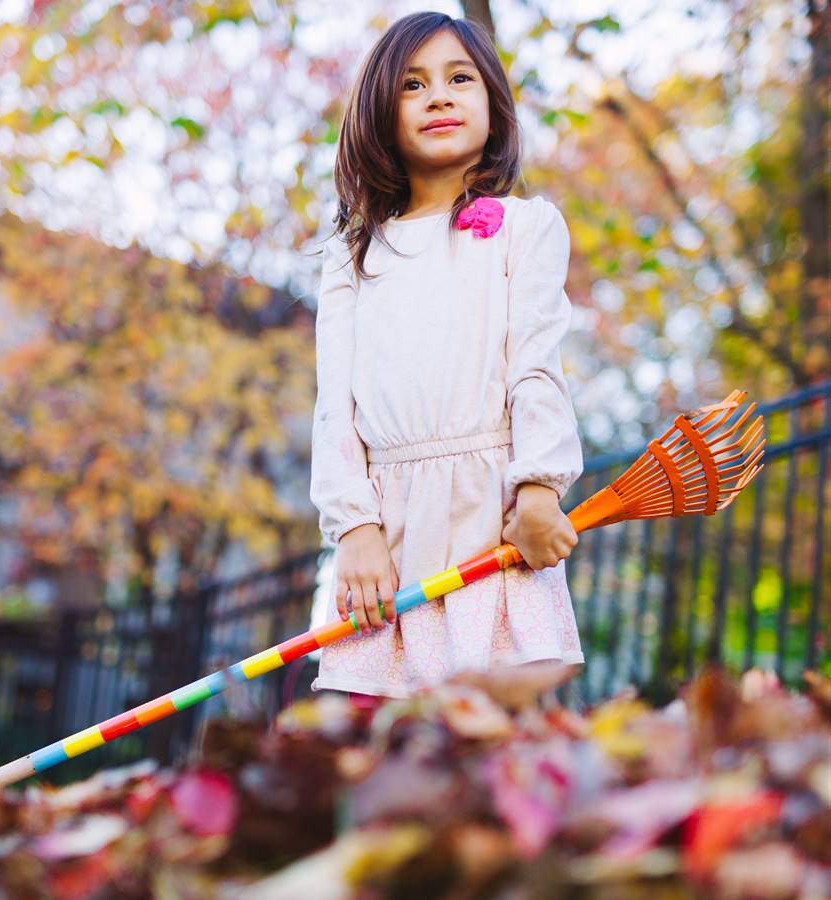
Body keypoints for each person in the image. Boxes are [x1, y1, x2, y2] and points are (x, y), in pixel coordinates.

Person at [308, 11, 584, 703]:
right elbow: (333, 408)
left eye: (460, 78)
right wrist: (357, 531)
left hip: (492, 518)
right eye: (413, 85)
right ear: (379, 113)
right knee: (364, 737)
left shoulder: (526, 227)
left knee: (494, 740)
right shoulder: (352, 256)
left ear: (492, 104)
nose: (439, 96)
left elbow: (536, 367)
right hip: (387, 530)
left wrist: (541, 488)